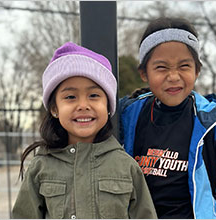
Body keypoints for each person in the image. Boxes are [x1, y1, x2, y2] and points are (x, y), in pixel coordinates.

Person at [118, 17, 216, 219]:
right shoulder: (128, 114)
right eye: (161, 67)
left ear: (197, 71)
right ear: (144, 73)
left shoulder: (211, 124)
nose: (173, 76)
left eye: (184, 66)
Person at [12, 42, 157, 219]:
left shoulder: (126, 166)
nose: (83, 106)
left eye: (94, 95)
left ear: (108, 106)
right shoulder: (41, 166)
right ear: (54, 108)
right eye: (70, 97)